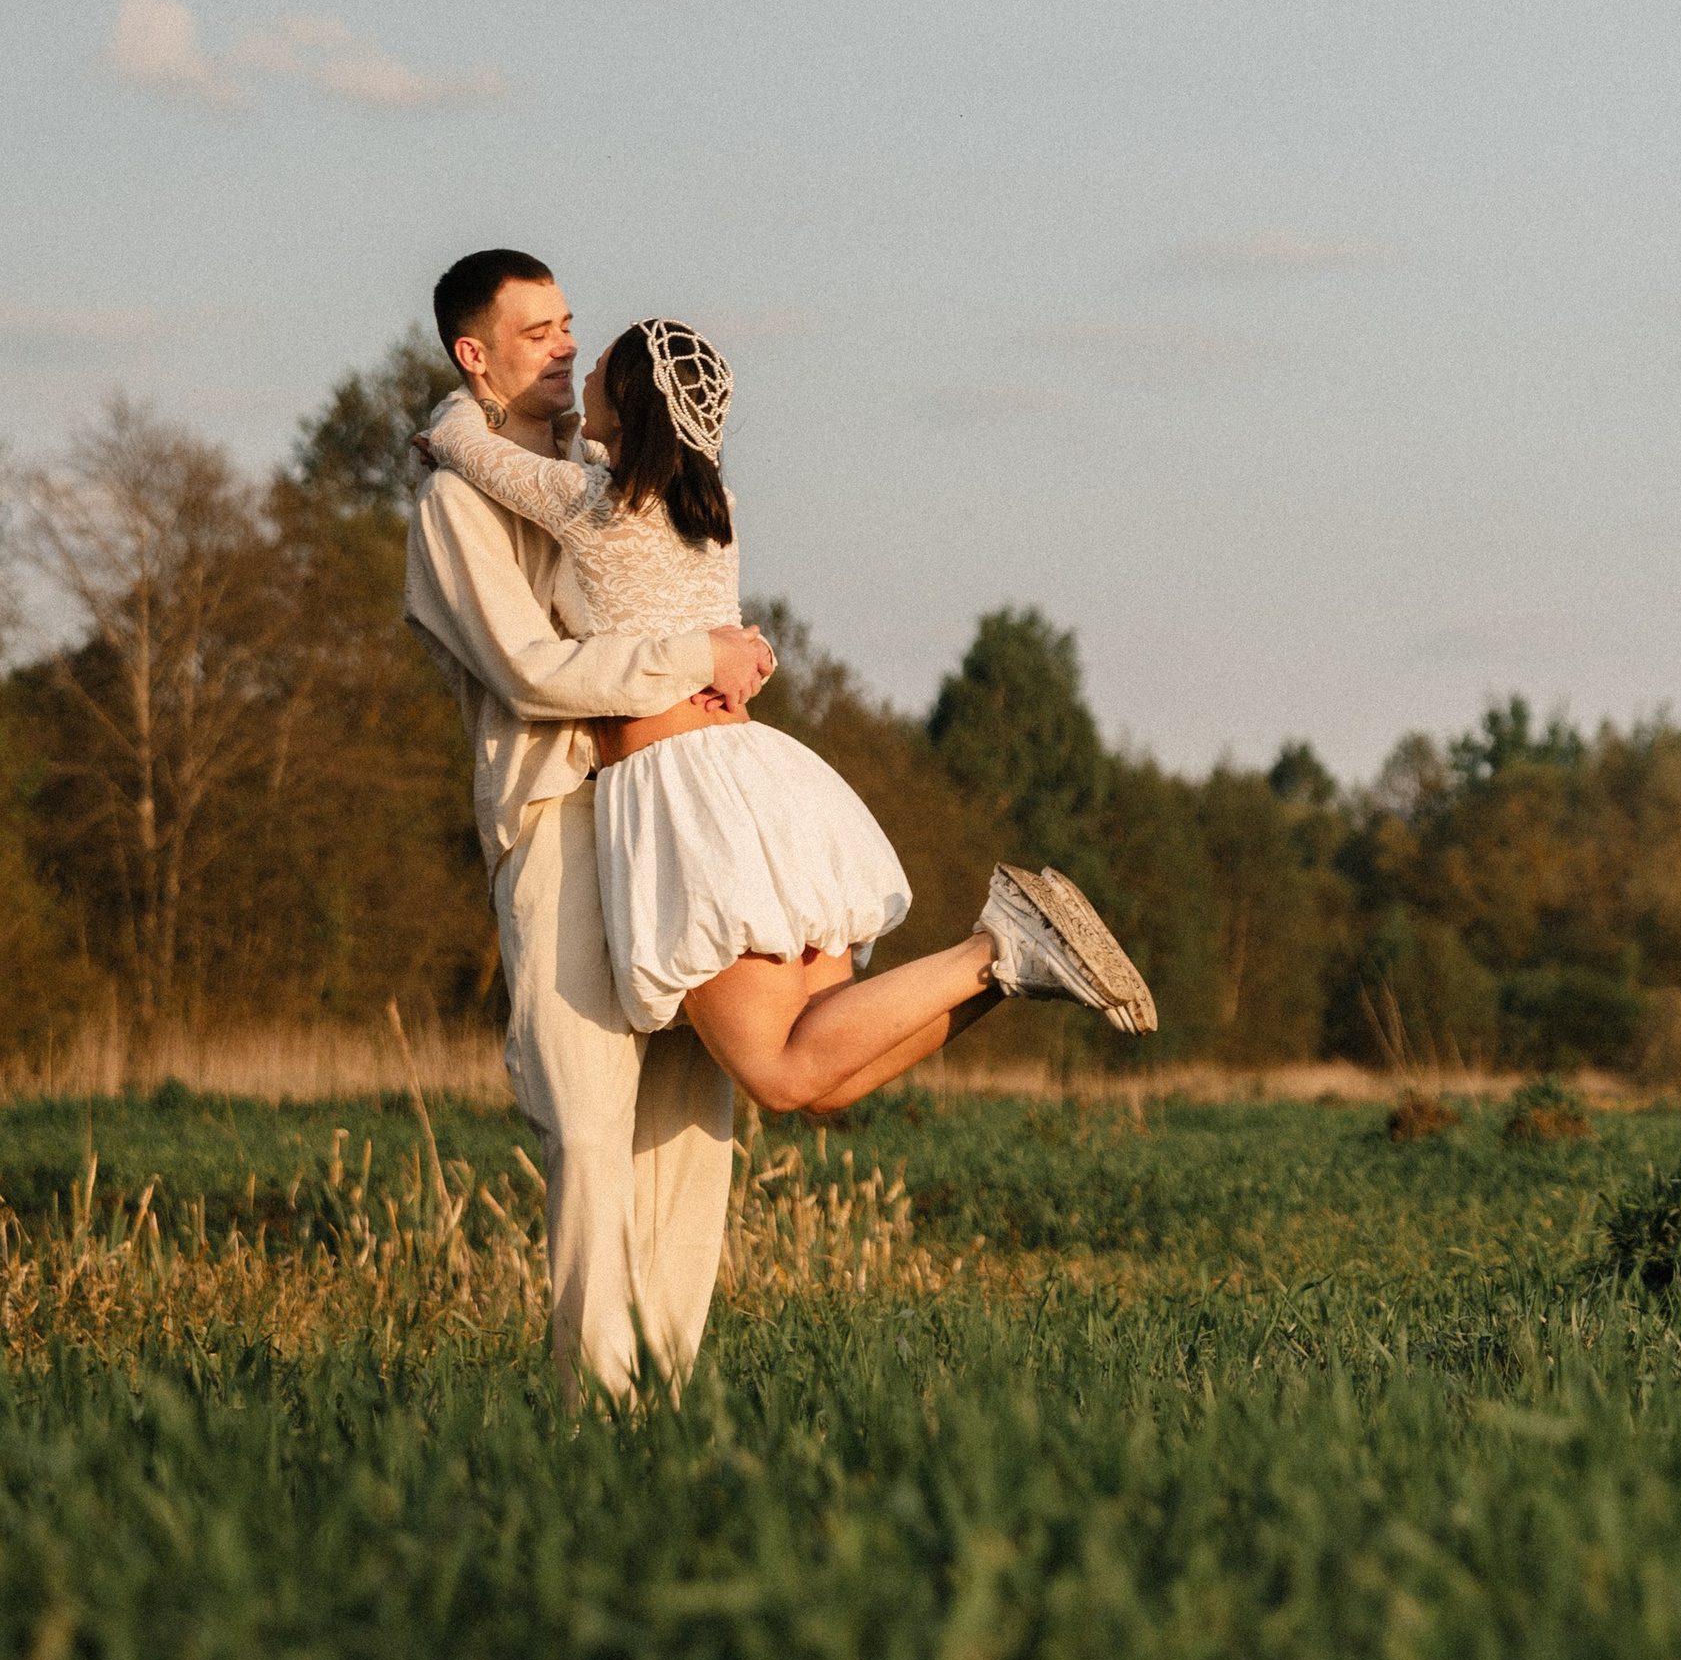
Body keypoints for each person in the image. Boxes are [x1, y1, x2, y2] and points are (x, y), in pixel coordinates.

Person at [413, 307, 1156, 1133]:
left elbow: (470, 452)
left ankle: (998, 945)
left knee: (778, 1069)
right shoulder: (713, 507)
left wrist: (451, 415)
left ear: (625, 402)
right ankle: (1009, 968)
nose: (578, 370)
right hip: (758, 783)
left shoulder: (592, 504)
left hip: (684, 798)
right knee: (825, 1082)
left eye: (596, 373)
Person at [404, 247, 777, 1403]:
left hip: (669, 807)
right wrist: (694, 657)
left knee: (691, 1110)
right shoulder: (454, 497)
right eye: (537, 332)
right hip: (559, 814)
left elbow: (674, 583)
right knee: (587, 1121)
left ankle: (664, 1389)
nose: (567, 345)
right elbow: (527, 668)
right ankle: (592, 1407)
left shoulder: (609, 470)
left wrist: (725, 654)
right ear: (474, 356)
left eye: (571, 324)